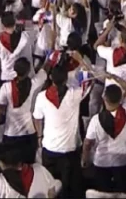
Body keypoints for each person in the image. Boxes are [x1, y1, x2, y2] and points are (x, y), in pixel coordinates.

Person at [33, 54, 92, 199]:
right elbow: (89, 78)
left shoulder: (41, 97)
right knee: (68, 190)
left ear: (51, 79)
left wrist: (39, 136)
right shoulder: (75, 94)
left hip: (49, 149)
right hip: (69, 151)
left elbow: (37, 119)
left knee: (51, 189)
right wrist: (80, 59)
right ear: (66, 79)